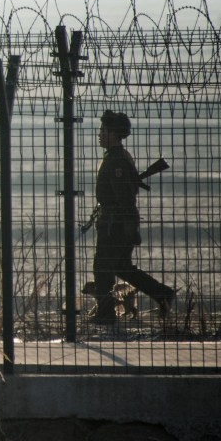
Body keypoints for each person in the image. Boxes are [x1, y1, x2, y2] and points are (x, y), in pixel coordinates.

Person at [90, 110, 175, 324]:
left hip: (115, 224)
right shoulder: (116, 157)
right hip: (115, 222)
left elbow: (125, 198)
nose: (100, 135)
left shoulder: (117, 161)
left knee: (103, 267)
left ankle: (106, 314)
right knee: (120, 267)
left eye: (103, 131)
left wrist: (125, 226)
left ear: (114, 134)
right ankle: (162, 294)